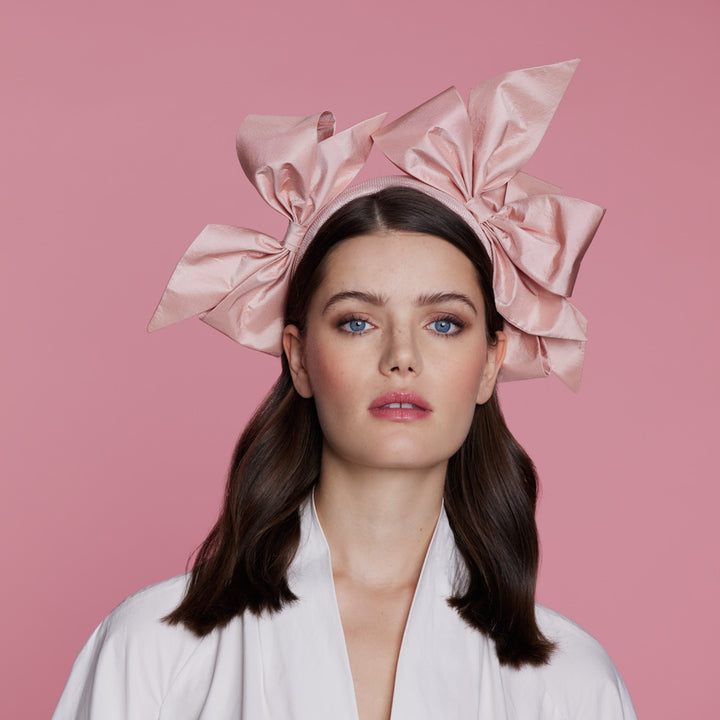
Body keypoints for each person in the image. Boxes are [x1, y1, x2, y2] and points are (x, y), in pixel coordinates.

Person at [53, 60, 638, 719]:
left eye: (444, 323)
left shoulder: (573, 682)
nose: (401, 358)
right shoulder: (152, 650)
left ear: (489, 363)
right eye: (357, 322)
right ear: (298, 358)